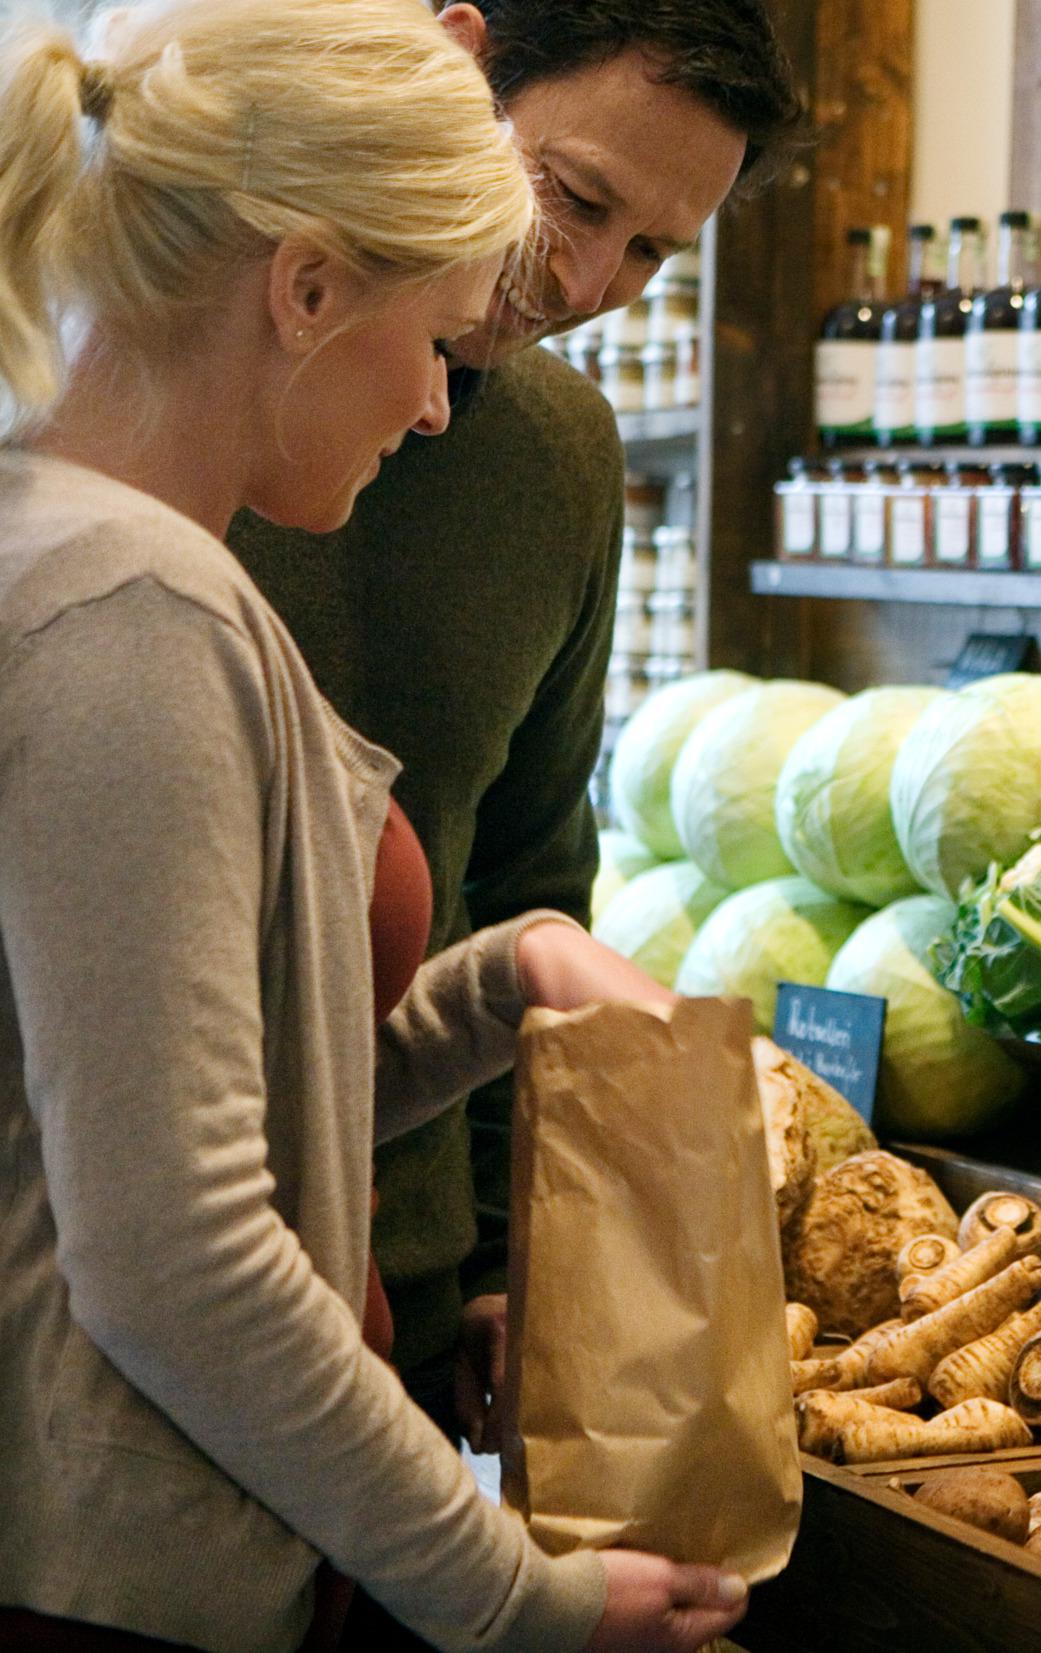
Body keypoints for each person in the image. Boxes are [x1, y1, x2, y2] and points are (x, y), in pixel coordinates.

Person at [0, 2, 746, 1649]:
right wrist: (516, 1597)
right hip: (116, 1576)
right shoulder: (138, 603)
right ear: (310, 290)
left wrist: (504, 982)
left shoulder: (74, 546)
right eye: (431, 335)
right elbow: (176, 1255)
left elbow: (210, 1101)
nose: (432, 408)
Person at [224, 0, 802, 1461]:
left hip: (399, 1291)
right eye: (579, 198)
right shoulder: (189, 391)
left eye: (655, 251)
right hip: (132, 1293)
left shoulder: (561, 454)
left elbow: (535, 864)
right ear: (460, 67)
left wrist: (497, 1254)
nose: (590, 279)